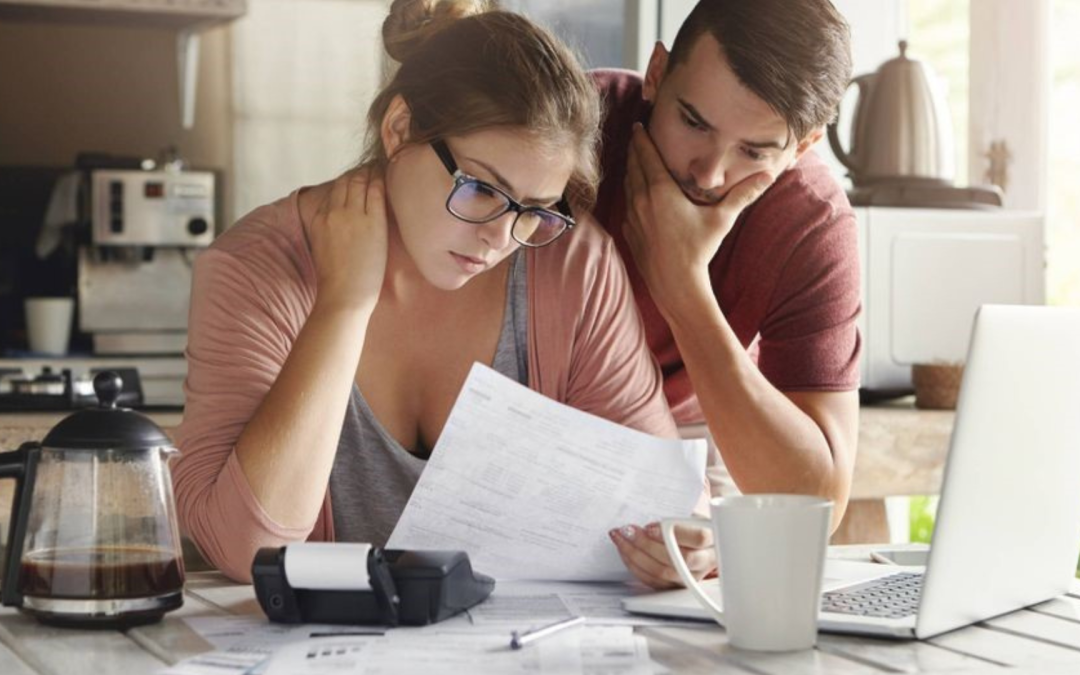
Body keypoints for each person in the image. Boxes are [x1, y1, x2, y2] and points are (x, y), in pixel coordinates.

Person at [171, 0, 708, 586]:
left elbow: (661, 500)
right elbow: (245, 548)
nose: (500, 237)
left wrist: (685, 544)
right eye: (481, 188)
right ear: (400, 129)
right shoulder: (254, 268)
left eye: (534, 210)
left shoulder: (571, 263)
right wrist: (344, 305)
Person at [599, 0, 862, 588]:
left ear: (803, 146)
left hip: (699, 431)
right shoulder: (575, 125)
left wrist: (683, 287)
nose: (710, 173)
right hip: (534, 408)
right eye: (694, 122)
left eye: (755, 151)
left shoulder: (811, 220)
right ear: (658, 73)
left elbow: (817, 503)